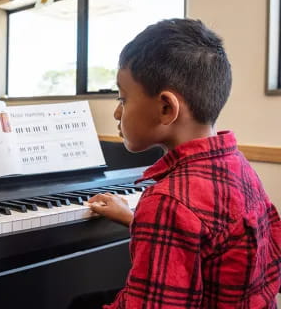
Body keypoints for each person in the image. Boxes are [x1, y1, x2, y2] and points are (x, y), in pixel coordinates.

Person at [85, 19, 281, 308]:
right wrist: (134, 218)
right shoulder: (238, 165)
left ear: (166, 108)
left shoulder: (167, 201)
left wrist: (153, 217)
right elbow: (214, 240)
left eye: (123, 99)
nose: (116, 113)